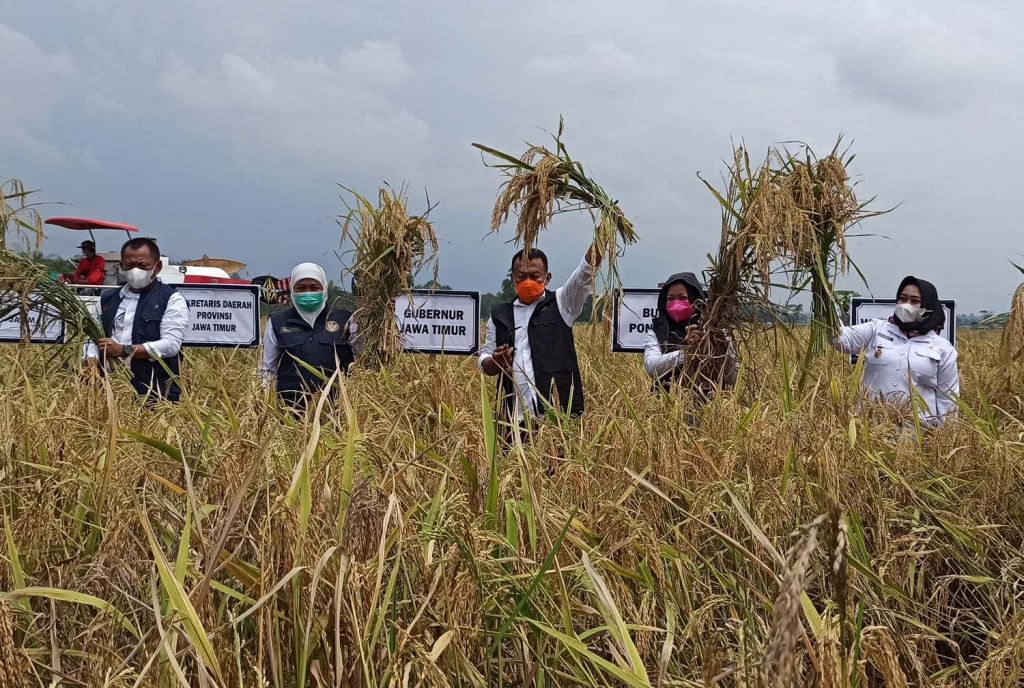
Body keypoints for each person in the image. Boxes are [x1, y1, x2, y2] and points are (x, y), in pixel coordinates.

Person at [478, 243, 601, 430]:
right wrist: (496, 361)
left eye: (534, 276)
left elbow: (585, 271)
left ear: (547, 278)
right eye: (521, 276)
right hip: (513, 421)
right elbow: (484, 360)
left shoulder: (562, 303)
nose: (528, 281)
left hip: (558, 419)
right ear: (513, 278)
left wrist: (602, 234)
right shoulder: (499, 315)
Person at [832, 276, 959, 426]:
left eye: (914, 301)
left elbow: (948, 400)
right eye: (902, 299)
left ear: (928, 307)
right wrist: (825, 301)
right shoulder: (876, 329)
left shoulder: (942, 348)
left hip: (918, 435)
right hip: (871, 430)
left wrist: (945, 439)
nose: (906, 305)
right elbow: (839, 338)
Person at [83, 238, 190, 402]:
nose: (135, 271)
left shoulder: (170, 299)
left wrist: (124, 350)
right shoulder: (107, 299)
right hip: (110, 390)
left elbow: (171, 345)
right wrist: (91, 359)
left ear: (157, 267)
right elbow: (92, 336)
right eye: (129, 265)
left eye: (143, 266)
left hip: (154, 391)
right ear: (121, 265)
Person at [259, 262, 356, 409]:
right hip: (290, 410)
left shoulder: (345, 319)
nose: (308, 293)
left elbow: (361, 362)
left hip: (337, 407)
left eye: (314, 287)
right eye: (301, 288)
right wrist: (265, 404)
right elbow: (267, 370)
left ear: (324, 289)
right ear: (292, 290)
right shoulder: (277, 322)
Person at [644, 271, 738, 395]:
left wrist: (718, 343)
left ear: (696, 300)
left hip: (708, 401)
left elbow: (733, 377)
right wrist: (688, 352)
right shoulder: (658, 330)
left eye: (683, 298)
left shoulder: (716, 330)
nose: (676, 303)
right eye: (670, 298)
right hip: (666, 402)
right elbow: (652, 367)